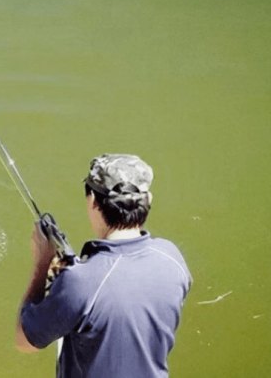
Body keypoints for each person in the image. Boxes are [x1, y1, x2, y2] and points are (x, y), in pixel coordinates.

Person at [15, 154, 192, 377]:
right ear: (149, 199)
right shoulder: (172, 258)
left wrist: (42, 263)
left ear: (92, 201)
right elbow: (123, 299)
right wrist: (77, 275)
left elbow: (25, 341)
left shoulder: (81, 283)